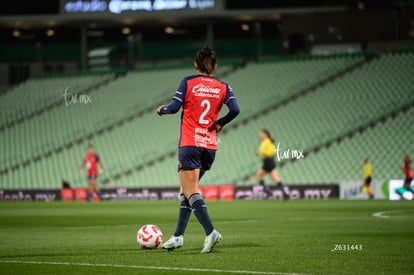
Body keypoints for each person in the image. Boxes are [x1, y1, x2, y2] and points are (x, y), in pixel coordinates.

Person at [156, 45, 240, 253]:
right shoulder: (223, 87)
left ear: (195, 65)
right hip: (209, 146)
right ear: (215, 66)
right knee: (186, 191)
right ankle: (177, 236)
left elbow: (175, 108)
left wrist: (162, 110)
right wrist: (220, 123)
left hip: (190, 143)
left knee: (191, 190)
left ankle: (211, 232)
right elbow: (236, 110)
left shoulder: (188, 82)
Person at [255, 129, 288, 200]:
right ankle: (284, 193)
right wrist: (261, 153)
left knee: (258, 175)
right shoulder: (267, 141)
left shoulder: (267, 141)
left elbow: (271, 151)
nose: (260, 135)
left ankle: (267, 191)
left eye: (261, 134)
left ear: (265, 134)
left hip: (268, 161)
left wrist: (260, 153)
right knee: (275, 178)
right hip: (269, 161)